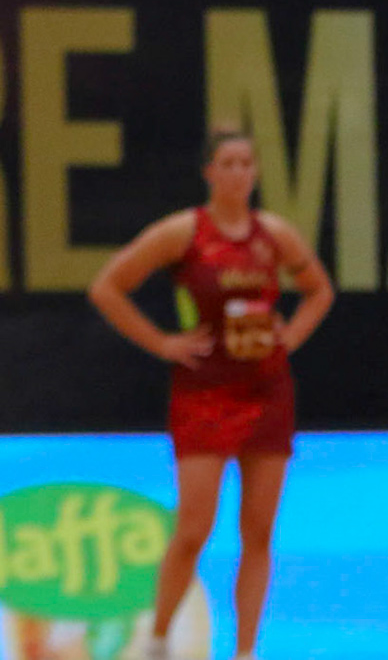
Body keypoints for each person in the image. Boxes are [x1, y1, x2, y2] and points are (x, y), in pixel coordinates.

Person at [87, 129, 334, 660]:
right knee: (194, 527)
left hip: (266, 390)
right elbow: (107, 286)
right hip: (204, 391)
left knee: (259, 531)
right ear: (209, 172)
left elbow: (319, 290)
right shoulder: (184, 233)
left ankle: (246, 652)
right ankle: (157, 639)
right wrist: (161, 342)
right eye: (228, 162)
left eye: (248, 162)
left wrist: (290, 335)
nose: (240, 172)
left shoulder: (274, 234)